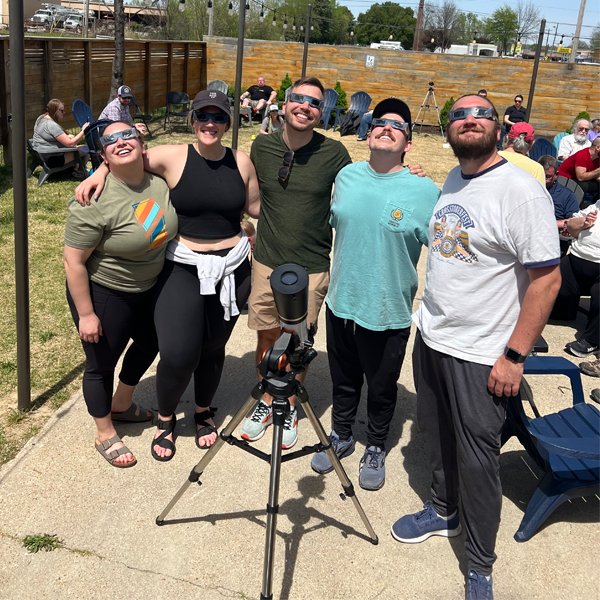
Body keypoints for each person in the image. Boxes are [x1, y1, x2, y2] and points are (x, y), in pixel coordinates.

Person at [390, 94, 561, 600]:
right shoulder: (453, 178)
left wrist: (514, 356)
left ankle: (481, 563)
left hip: (482, 353)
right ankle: (443, 511)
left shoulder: (521, 191)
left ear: (500, 127)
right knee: (436, 434)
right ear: (449, 129)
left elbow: (547, 281)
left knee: (478, 457)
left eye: (481, 114)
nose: (469, 121)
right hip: (434, 337)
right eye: (460, 115)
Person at [240, 78, 425, 449]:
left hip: (311, 264)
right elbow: (244, 191)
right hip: (267, 260)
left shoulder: (335, 154)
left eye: (314, 102)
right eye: (298, 99)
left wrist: (408, 172)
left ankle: (289, 401)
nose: (305, 106)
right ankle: (266, 397)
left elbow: (369, 181)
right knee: (266, 334)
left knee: (297, 341)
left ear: (320, 111)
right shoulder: (261, 146)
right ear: (285, 102)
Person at [76, 90, 260, 461]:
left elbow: (255, 207)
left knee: (213, 348)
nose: (210, 123)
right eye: (203, 116)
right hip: (183, 267)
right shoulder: (171, 155)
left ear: (228, 123)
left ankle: (203, 410)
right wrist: (98, 171)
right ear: (193, 121)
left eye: (219, 117)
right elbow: (124, 155)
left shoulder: (241, 161)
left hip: (232, 269)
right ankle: (165, 418)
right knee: (177, 353)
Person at [310, 98, 441, 491]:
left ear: (408, 144)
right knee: (343, 381)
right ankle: (342, 435)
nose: (387, 128)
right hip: (341, 303)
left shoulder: (425, 191)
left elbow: (448, 252)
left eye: (397, 126)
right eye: (380, 122)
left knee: (382, 388)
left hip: (387, 311)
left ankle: (376, 445)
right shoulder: (346, 177)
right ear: (368, 135)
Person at [64, 121, 178, 468]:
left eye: (128, 135)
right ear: (103, 154)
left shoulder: (159, 183)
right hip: (106, 293)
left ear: (144, 145)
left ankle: (122, 404)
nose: (120, 142)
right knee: (101, 364)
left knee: (150, 343)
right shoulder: (93, 198)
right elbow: (73, 262)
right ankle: (104, 431)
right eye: (110, 140)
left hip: (147, 288)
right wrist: (86, 314)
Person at [551, 201, 599, 360]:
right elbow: (570, 227)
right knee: (545, 283)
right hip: (575, 261)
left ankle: (592, 340)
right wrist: (583, 223)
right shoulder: (596, 206)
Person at [32, 98, 89, 179]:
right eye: (62, 111)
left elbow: (49, 137)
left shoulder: (41, 118)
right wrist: (83, 131)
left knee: (72, 139)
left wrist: (69, 137)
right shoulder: (52, 125)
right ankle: (79, 171)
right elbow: (71, 143)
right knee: (86, 149)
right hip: (52, 159)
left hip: (40, 154)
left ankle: (73, 168)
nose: (64, 113)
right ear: (55, 111)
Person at [539, 154, 580, 256]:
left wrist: (550, 224)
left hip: (554, 237)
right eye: (541, 176)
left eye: (548, 177)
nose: (543, 180)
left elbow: (574, 220)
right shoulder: (528, 189)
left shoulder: (567, 195)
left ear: (556, 174)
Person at [558, 138, 600, 202]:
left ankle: (596, 206)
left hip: (577, 180)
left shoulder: (597, 158)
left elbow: (597, 176)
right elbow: (581, 177)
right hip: (564, 180)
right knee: (584, 186)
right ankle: (578, 206)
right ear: (597, 147)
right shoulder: (582, 155)